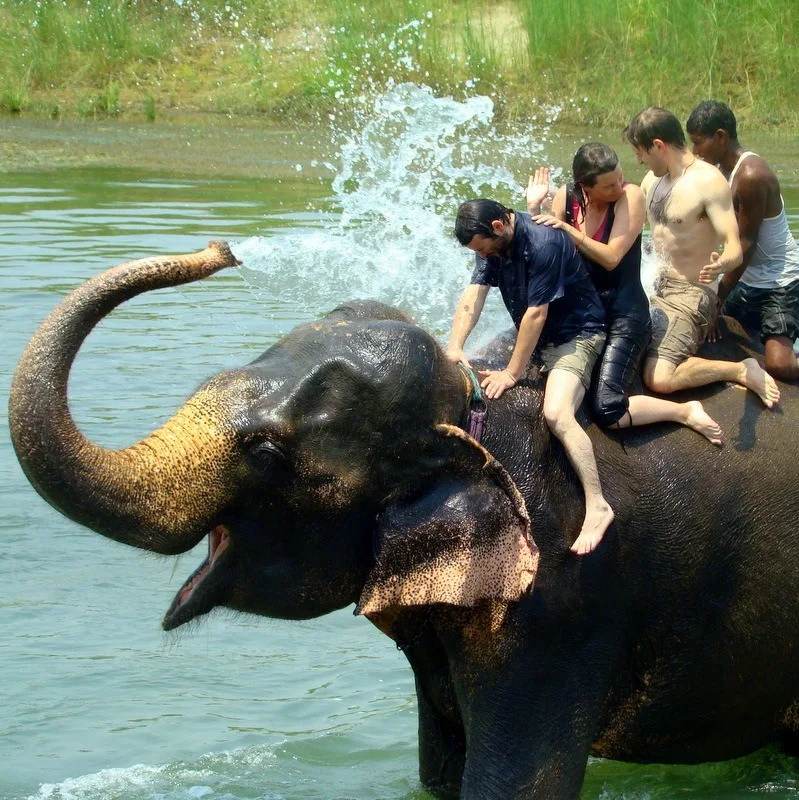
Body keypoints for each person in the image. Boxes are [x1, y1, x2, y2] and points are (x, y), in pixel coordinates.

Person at [525, 143, 723, 445]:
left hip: (624, 316)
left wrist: (568, 230)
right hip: (587, 316)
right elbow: (550, 252)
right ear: (584, 186)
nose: (618, 186)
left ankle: (684, 411)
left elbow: (611, 257)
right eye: (608, 185)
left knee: (606, 407)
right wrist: (534, 210)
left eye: (619, 177)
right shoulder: (567, 198)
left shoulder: (630, 196)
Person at [447, 199, 613, 555]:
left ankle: (598, 505)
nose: (483, 256)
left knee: (557, 414)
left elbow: (536, 315)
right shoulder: (492, 245)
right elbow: (475, 294)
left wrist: (511, 373)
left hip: (576, 335)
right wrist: (455, 347)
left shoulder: (544, 244)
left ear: (497, 227)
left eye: (482, 249)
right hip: (538, 337)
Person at [622, 106, 780, 409]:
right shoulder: (649, 182)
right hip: (654, 284)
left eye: (640, 152)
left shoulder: (709, 181)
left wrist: (723, 263)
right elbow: (628, 231)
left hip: (691, 292)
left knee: (659, 377)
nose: (639, 159)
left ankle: (741, 369)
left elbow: (735, 245)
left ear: (658, 146)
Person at [687, 100, 799, 381]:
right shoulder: (718, 172)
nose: (694, 152)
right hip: (748, 280)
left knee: (780, 366)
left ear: (721, 137)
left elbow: (745, 244)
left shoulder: (751, 176)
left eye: (699, 143)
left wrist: (718, 298)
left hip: (778, 283)